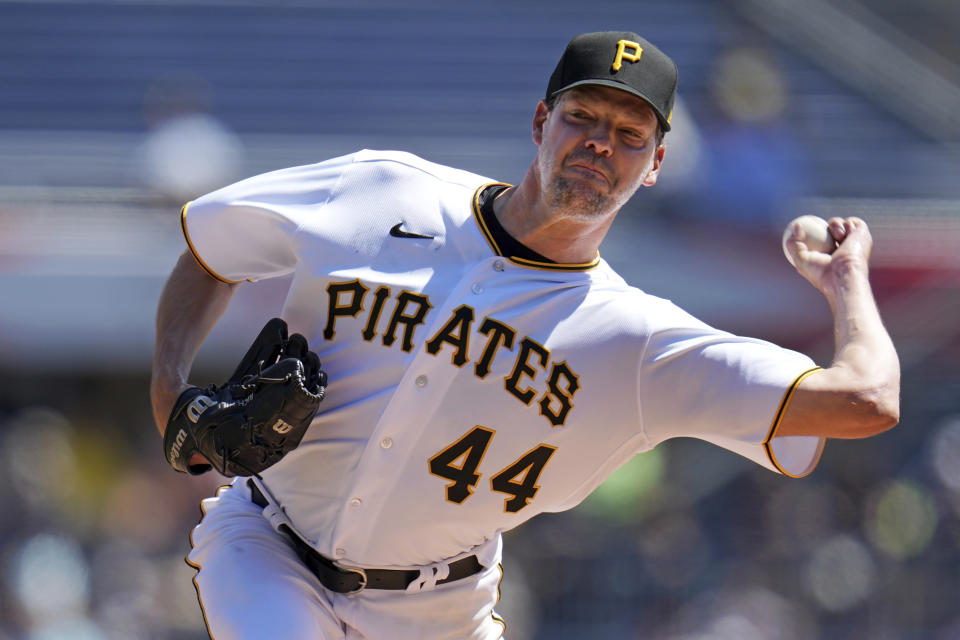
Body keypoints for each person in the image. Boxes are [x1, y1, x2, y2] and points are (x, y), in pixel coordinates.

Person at [150, 31, 900, 640]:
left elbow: (865, 401)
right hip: (265, 545)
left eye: (630, 134)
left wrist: (847, 285)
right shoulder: (381, 190)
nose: (601, 143)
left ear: (655, 166)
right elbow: (213, 248)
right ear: (542, 122)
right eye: (584, 118)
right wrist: (168, 388)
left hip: (438, 612)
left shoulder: (637, 342)